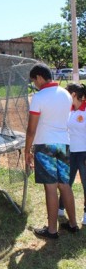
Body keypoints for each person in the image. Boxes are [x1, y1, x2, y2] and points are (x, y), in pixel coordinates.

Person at [25, 63, 79, 239]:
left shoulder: (39, 97)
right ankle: (73, 224)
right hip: (64, 144)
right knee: (65, 185)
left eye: (34, 81)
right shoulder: (65, 94)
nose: (35, 84)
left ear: (39, 78)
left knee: (50, 188)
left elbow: (31, 129)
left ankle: (52, 230)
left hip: (45, 146)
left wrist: (27, 150)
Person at [58, 83, 86, 225]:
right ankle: (61, 207)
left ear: (74, 94)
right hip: (70, 152)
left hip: (84, 153)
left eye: (67, 92)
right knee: (66, 182)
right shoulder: (68, 110)